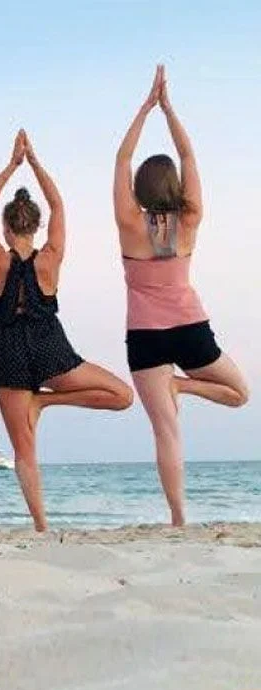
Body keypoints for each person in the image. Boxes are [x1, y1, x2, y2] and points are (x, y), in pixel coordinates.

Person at [0, 129, 133, 532]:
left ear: (6, 228)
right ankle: (46, 403)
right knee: (123, 395)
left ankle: (42, 526)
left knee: (25, 452)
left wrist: (11, 165)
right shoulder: (50, 257)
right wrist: (33, 162)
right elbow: (58, 203)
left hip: (11, 353)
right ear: (37, 225)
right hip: (51, 348)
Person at [114, 65, 249, 526]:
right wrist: (169, 110)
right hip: (190, 329)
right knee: (240, 393)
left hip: (145, 337)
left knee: (166, 433)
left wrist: (144, 108)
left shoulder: (130, 224)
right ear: (173, 186)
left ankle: (178, 519)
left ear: (138, 188)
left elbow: (122, 159)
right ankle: (183, 385)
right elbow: (188, 154)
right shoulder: (189, 220)